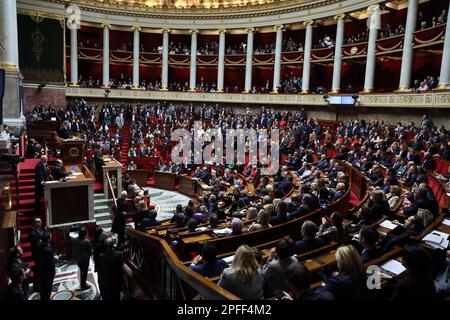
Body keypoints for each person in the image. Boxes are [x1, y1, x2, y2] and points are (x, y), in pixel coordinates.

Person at [36, 232, 56, 301]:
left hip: (41, 270)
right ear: (48, 239)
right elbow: (51, 264)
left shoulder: (39, 245)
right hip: (48, 273)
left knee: (43, 287)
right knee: (48, 288)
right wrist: (53, 273)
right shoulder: (48, 250)